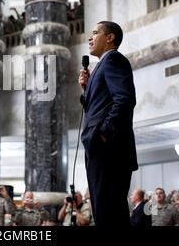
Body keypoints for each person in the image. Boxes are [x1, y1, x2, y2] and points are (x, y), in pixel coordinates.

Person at [78, 21, 138, 227]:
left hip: (108, 147)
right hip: (99, 147)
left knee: (109, 213)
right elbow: (98, 106)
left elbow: (125, 99)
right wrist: (86, 89)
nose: (90, 37)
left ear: (110, 37)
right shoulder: (100, 66)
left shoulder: (114, 60)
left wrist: (104, 133)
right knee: (104, 212)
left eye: (95, 33)